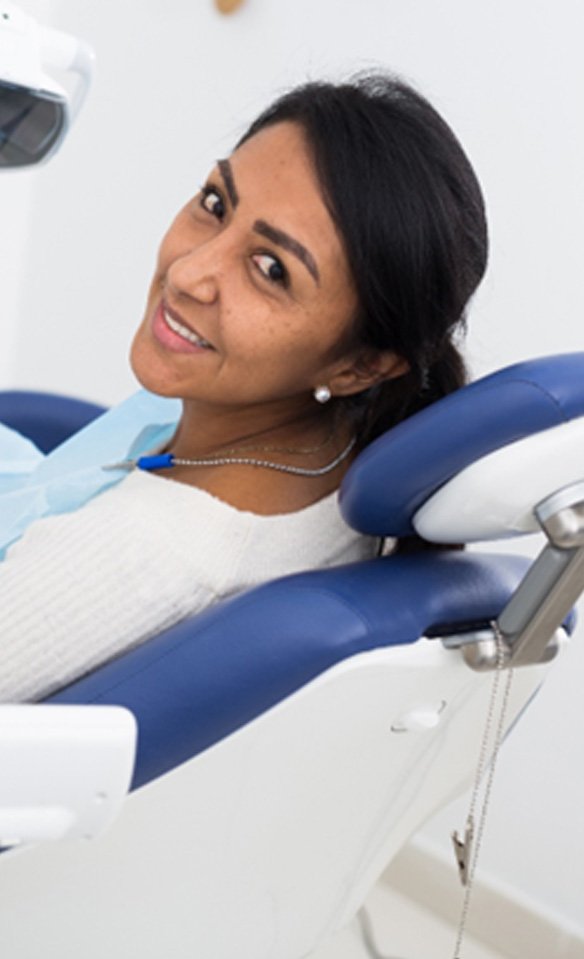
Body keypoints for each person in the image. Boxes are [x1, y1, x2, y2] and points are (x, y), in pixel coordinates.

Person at [0, 72, 488, 702]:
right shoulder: (332, 459)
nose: (188, 273)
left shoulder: (136, 559)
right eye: (215, 205)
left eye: (270, 269)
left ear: (361, 366)